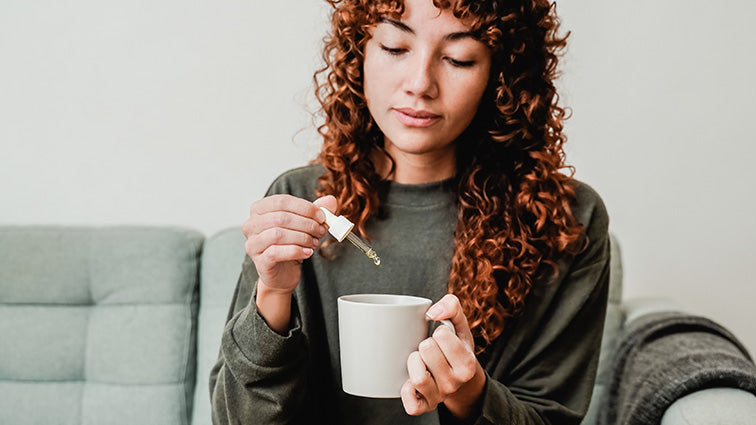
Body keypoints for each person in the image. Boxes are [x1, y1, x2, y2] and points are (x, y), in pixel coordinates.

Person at [210, 0, 610, 423]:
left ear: (501, 75)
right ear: (360, 51)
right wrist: (273, 296)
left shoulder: (563, 221)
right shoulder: (302, 200)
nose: (420, 84)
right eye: (396, 48)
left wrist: (470, 392)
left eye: (459, 58)